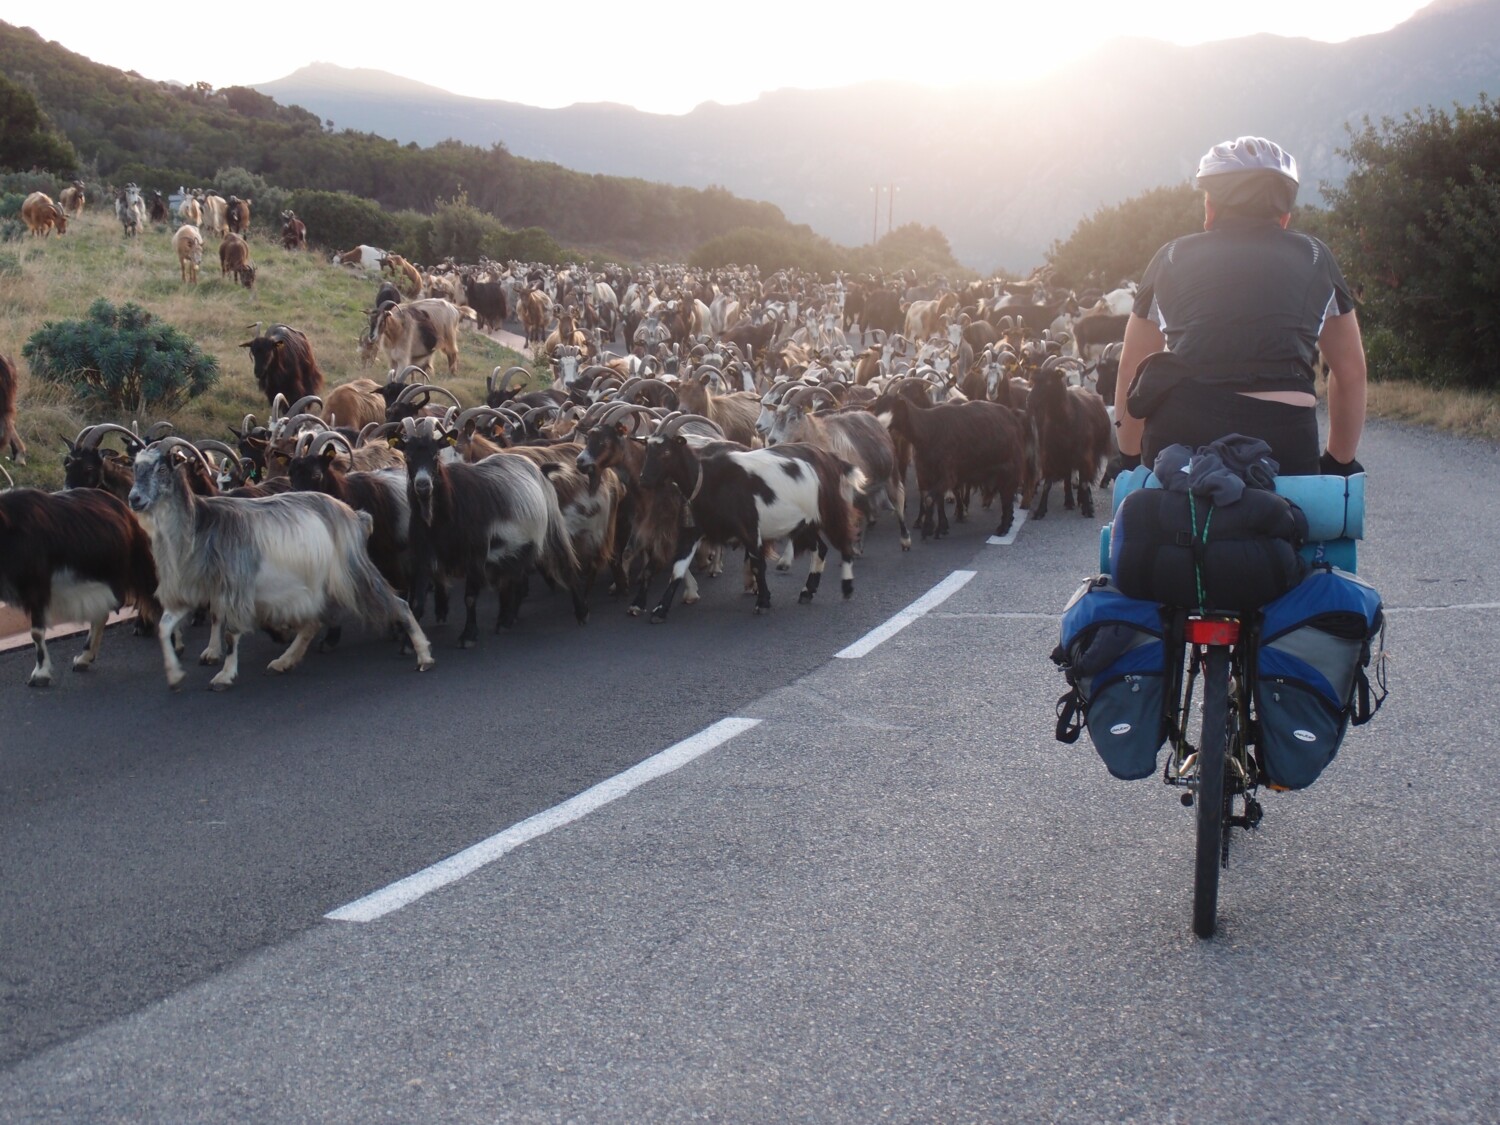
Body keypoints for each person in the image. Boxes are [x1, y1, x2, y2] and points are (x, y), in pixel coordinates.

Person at [1114, 136, 1367, 477]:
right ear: (1285, 218)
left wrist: (1129, 458)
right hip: (1287, 443)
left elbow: (1133, 365)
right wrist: (1339, 460)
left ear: (1210, 211)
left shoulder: (1170, 256)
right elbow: (1350, 371)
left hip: (1182, 439)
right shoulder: (1315, 256)